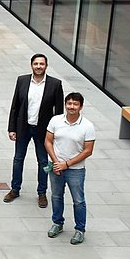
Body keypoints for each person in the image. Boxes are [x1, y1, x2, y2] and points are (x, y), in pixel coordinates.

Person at [4, 54, 64, 208]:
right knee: (18, 159)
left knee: (43, 161)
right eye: (36, 63)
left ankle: (42, 192)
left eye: (42, 64)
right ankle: (15, 189)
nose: (39, 66)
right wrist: (12, 128)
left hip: (43, 130)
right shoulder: (22, 80)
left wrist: (56, 133)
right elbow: (15, 106)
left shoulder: (55, 84)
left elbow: (58, 111)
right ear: (31, 65)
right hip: (23, 127)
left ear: (46, 66)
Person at [44, 92, 95, 245]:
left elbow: (88, 151)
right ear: (65, 104)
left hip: (76, 170)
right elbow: (48, 141)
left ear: (81, 107)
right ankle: (57, 223)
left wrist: (66, 164)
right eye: (69, 103)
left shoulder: (88, 126)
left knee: (78, 200)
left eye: (75, 104)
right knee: (56, 196)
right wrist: (56, 162)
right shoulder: (56, 120)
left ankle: (80, 229)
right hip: (56, 166)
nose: (72, 107)